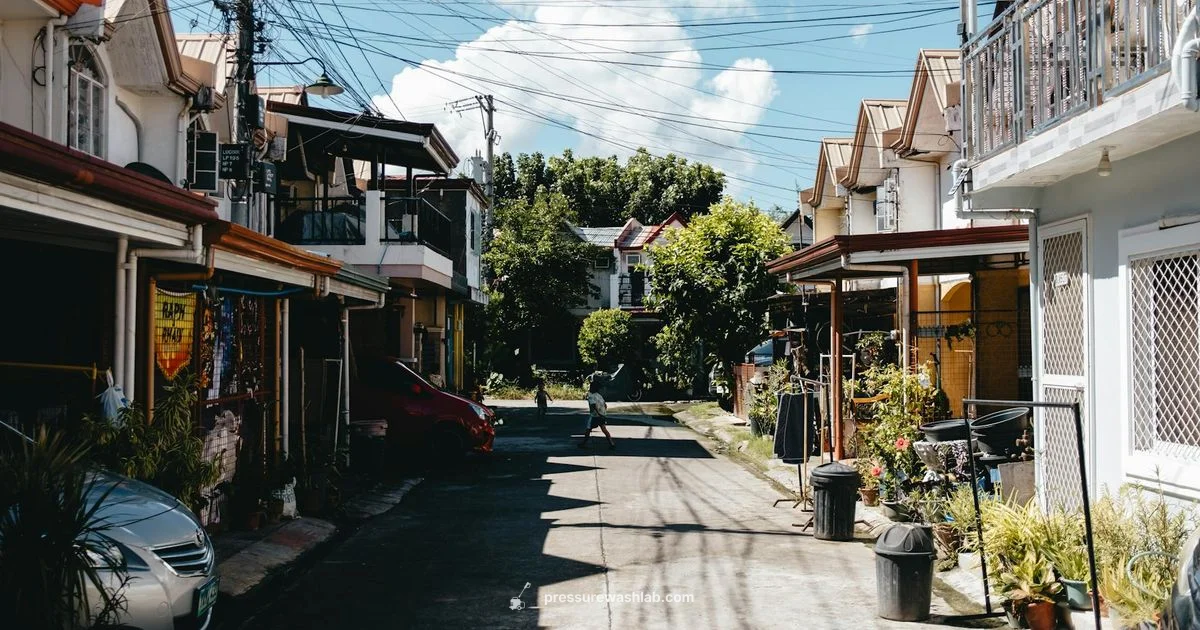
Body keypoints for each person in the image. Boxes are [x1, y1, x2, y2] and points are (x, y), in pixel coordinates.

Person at [579, 380, 615, 449]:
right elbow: (605, 405)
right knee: (604, 429)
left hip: (595, 415)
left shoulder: (591, 395)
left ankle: (583, 443)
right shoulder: (599, 395)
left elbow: (593, 405)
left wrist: (598, 413)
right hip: (602, 414)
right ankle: (611, 443)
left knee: (588, 429)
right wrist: (603, 413)